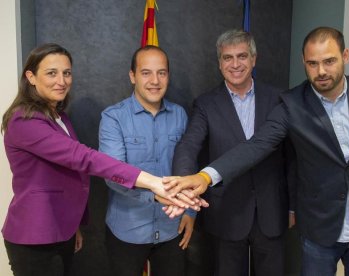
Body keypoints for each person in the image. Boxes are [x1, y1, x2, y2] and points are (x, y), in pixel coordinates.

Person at [164, 26, 349, 276]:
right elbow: (256, 145)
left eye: (329, 61)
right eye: (313, 63)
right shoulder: (293, 103)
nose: (321, 71)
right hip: (316, 230)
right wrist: (204, 177)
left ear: (345, 56)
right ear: (304, 62)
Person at [1, 43, 199, 276]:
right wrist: (153, 183)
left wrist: (71, 225)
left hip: (61, 228)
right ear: (31, 77)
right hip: (35, 236)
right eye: (51, 73)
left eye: (67, 73)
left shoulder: (58, 116)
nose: (62, 81)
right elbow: (82, 157)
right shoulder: (24, 120)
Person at [172, 29, 296, 276]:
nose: (235, 64)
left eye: (242, 56)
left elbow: (291, 158)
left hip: (272, 213)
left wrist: (293, 206)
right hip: (226, 214)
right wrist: (184, 184)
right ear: (219, 64)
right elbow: (189, 145)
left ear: (254, 59)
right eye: (228, 58)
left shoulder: (280, 99)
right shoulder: (206, 103)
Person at [99, 45, 196, 276]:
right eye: (146, 73)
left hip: (171, 228)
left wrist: (191, 213)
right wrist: (153, 194)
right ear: (132, 76)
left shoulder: (180, 115)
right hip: (127, 230)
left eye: (161, 72)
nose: (155, 80)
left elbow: (189, 167)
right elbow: (112, 175)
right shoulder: (113, 117)